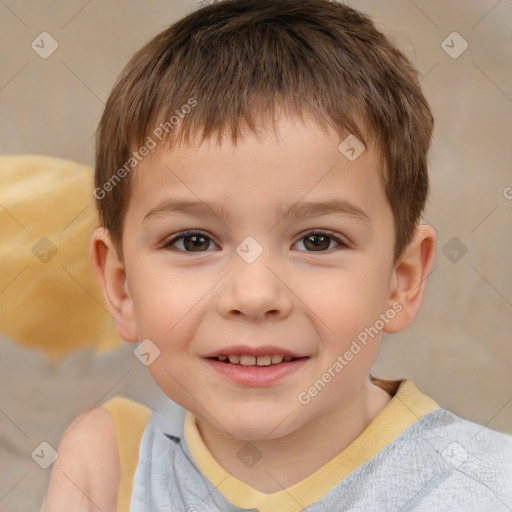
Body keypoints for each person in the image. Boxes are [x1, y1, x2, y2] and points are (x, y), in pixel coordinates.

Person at [43, 0, 512, 510]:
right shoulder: (112, 471)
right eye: (194, 241)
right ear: (120, 285)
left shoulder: (484, 488)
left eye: (318, 241)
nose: (255, 295)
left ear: (402, 280)